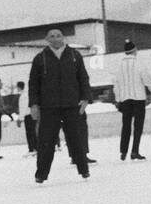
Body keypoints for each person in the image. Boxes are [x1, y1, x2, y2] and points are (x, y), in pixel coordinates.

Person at [28, 27, 93, 182]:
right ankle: (41, 175)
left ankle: (84, 170)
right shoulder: (40, 58)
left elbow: (83, 78)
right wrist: (34, 104)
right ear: (47, 39)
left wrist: (85, 98)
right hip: (49, 107)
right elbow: (33, 84)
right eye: (52, 36)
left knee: (76, 139)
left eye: (58, 36)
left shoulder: (74, 55)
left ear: (63, 38)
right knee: (46, 142)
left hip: (72, 105)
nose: (55, 38)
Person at [113, 39, 151, 160]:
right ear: (135, 50)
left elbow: (116, 85)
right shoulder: (139, 63)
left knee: (126, 125)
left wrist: (118, 100)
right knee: (138, 126)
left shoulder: (119, 65)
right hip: (138, 99)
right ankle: (135, 151)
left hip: (125, 100)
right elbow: (147, 80)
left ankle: (123, 151)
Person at [15, 79, 37, 153]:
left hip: (28, 116)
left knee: (30, 133)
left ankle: (32, 149)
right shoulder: (25, 95)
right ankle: (35, 148)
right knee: (32, 132)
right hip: (30, 115)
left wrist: (20, 119)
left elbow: (23, 108)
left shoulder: (23, 96)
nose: (16, 89)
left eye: (17, 87)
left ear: (19, 87)